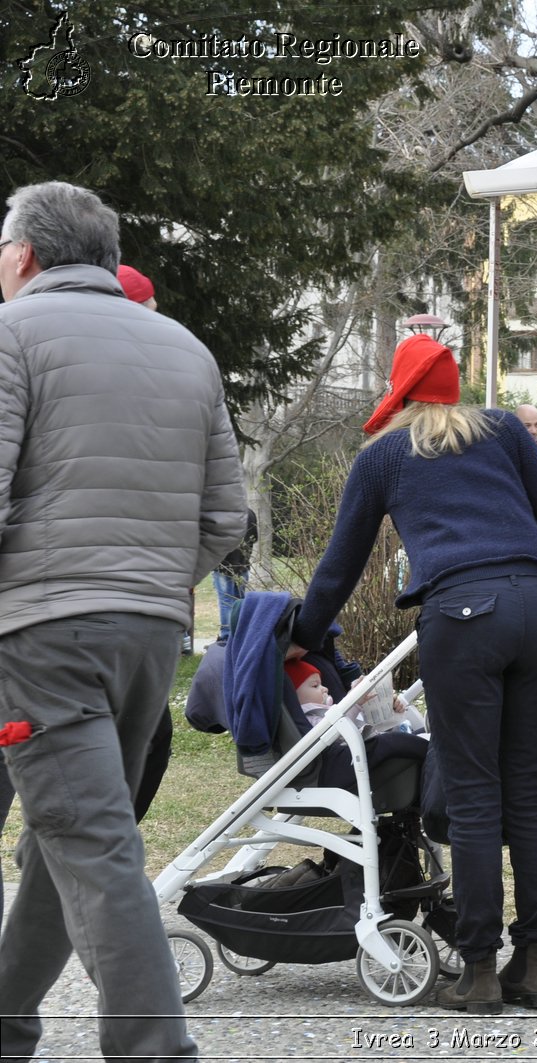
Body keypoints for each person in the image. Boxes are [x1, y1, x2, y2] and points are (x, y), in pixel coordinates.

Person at [0, 181, 246, 1060]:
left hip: (41, 630)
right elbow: (226, 517)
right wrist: (145, 579)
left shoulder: (11, 333)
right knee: (69, 838)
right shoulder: (186, 349)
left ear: (23, 255)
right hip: (149, 632)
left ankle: (154, 1048)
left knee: (89, 842)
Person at [290, 333, 537, 1014]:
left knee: (475, 795)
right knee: (529, 791)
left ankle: (478, 972)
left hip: (465, 617)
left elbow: (338, 569)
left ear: (400, 393)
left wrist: (296, 638)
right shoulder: (505, 428)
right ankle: (533, 964)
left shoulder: (384, 455)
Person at [211, 508, 257, 647]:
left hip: (223, 565)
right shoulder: (249, 513)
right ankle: (240, 635)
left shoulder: (222, 514)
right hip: (242, 564)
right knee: (240, 601)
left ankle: (226, 637)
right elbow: (254, 538)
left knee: (226, 602)